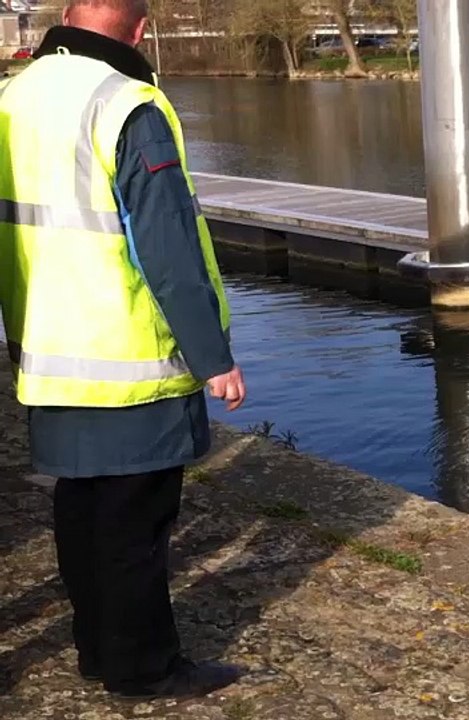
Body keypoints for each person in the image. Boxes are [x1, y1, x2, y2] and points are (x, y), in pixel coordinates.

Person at [0, 0, 247, 700]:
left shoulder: (15, 95)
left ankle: (96, 649)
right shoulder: (126, 103)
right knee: (136, 522)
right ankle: (143, 667)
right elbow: (167, 245)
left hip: (48, 348)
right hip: (129, 355)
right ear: (138, 29)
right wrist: (212, 357)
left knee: (81, 510)